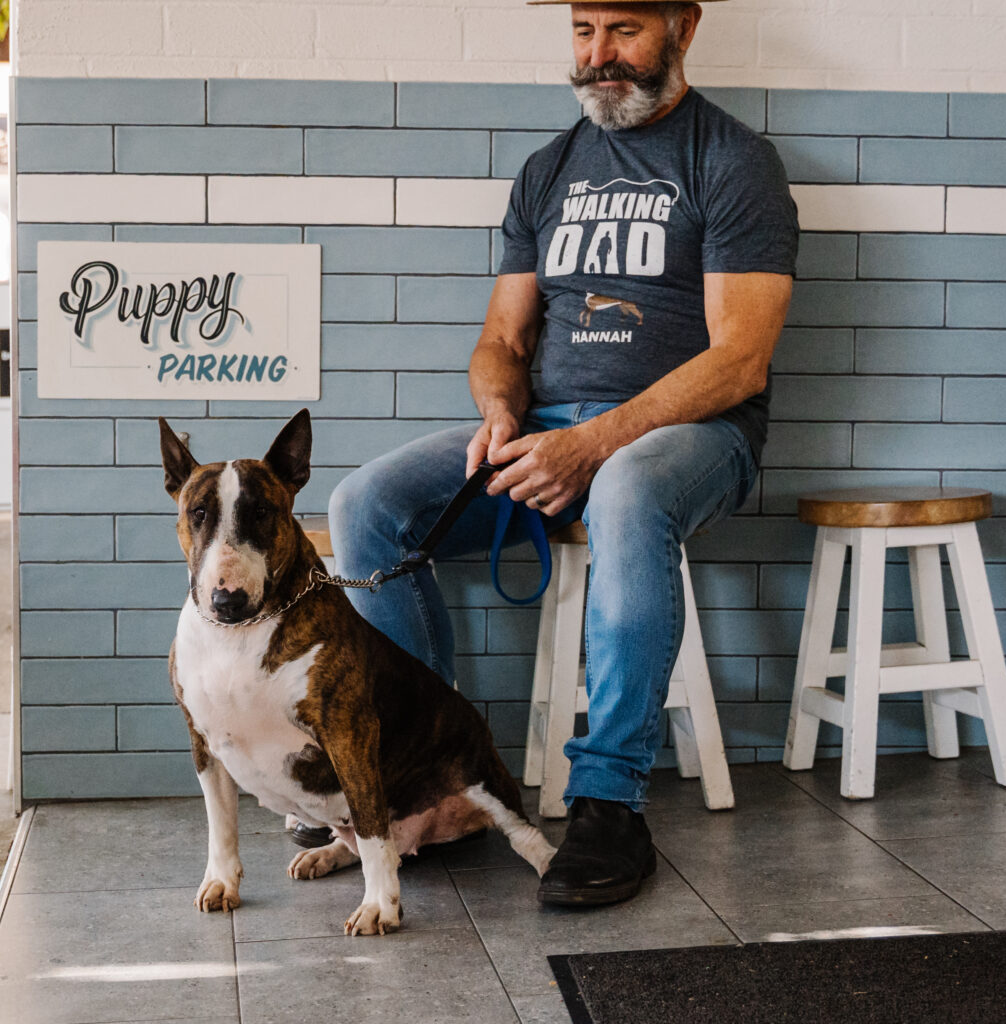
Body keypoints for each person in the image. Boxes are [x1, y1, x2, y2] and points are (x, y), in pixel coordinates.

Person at [326, 0, 798, 907]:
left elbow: (741, 359)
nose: (598, 56)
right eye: (583, 32)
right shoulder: (549, 171)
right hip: (553, 433)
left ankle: (609, 803)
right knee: (365, 505)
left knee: (625, 489)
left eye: (622, 31)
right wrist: (502, 412)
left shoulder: (734, 161)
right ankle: (431, 780)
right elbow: (502, 336)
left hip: (688, 439)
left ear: (682, 28)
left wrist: (592, 444)